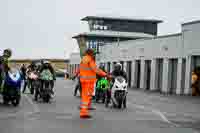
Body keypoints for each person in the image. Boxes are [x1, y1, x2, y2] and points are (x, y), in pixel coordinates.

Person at [79, 48, 111, 119]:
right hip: (88, 81)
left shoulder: (83, 59)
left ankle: (84, 112)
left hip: (84, 81)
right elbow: (96, 70)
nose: (94, 55)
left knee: (85, 97)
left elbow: (80, 69)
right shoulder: (90, 60)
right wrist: (105, 74)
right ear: (90, 53)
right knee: (87, 97)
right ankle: (84, 113)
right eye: (93, 53)